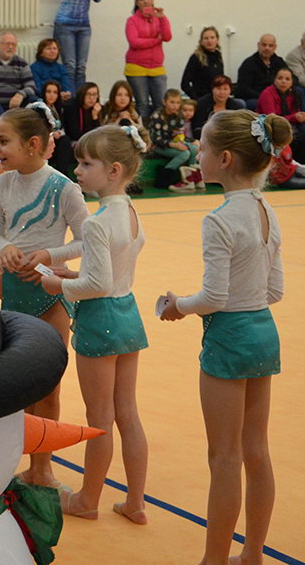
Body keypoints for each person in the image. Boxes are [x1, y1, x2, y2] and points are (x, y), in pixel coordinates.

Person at [160, 110, 290, 565]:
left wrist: (178, 305)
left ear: (226, 159)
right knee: (257, 451)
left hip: (230, 338)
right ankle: (252, 554)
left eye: (202, 147)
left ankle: (214, 559)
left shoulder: (218, 219)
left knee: (225, 458)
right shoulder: (267, 210)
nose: (197, 153)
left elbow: (214, 296)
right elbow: (275, 290)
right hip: (263, 334)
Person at [40, 125, 149, 524]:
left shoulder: (97, 222)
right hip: (127, 313)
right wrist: (73, 275)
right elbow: (108, 276)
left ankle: (87, 500)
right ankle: (135, 501)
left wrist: (59, 284)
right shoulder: (130, 211)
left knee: (99, 419)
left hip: (101, 320)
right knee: (128, 414)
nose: (78, 171)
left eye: (86, 164)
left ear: (114, 170)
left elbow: (97, 285)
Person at [0, 105, 88, 487]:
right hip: (14, 291)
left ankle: (42, 468)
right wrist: (6, 247)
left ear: (32, 144)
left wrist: (49, 255)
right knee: (19, 387)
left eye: (3, 141)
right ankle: (16, 463)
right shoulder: (1, 185)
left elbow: (86, 240)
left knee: (47, 387)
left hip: (51, 292)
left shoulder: (64, 187)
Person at [53, 0, 101, 90]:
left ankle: (81, 98)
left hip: (83, 26)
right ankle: (70, 99)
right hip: (65, 24)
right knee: (70, 65)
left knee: (81, 67)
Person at [125, 0, 171, 122]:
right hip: (136, 68)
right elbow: (134, 42)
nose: (145, 1)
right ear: (137, 3)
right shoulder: (132, 20)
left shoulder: (159, 19)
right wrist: (156, 40)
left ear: (152, 1)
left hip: (157, 67)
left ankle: (159, 131)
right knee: (142, 105)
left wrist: (162, 19)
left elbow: (167, 37)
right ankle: (144, 132)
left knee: (161, 104)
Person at [0, 32, 37, 138]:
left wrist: (20, 94)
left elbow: (31, 85)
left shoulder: (21, 63)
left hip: (15, 103)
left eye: (13, 44)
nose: (10, 47)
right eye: (7, 44)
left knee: (34, 101)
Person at [148, 88, 202, 192]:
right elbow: (155, 139)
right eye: (172, 102)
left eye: (178, 103)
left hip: (174, 142)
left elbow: (180, 134)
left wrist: (192, 140)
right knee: (185, 154)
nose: (175, 106)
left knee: (194, 148)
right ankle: (167, 177)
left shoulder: (178, 115)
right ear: (164, 102)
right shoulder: (157, 115)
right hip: (159, 145)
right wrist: (173, 145)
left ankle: (194, 179)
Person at [256, 66, 305, 161]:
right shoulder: (267, 94)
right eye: (280, 78)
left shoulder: (294, 94)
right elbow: (272, 120)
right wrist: (294, 117)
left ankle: (300, 163)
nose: (283, 81)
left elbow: (295, 113)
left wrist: (300, 116)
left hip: (288, 123)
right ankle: (292, 162)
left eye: (287, 79)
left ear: (291, 82)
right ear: (274, 80)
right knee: (296, 134)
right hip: (268, 126)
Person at [236, 34, 292, 108]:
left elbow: (292, 78)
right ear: (258, 45)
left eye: (270, 45)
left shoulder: (279, 62)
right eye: (264, 45)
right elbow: (243, 89)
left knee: (298, 91)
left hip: (277, 95)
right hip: (256, 97)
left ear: (275, 47)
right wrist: (265, 96)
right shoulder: (249, 64)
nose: (267, 48)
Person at [192, 75, 243, 140]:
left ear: (230, 91)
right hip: (206, 137)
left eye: (225, 89)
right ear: (212, 89)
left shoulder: (235, 106)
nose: (222, 92)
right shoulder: (202, 104)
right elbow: (197, 128)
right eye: (218, 88)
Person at [180, 26, 224, 101]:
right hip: (203, 98)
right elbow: (184, 84)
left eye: (212, 37)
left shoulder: (218, 56)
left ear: (217, 40)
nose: (209, 41)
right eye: (206, 38)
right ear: (201, 42)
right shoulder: (196, 57)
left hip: (218, 98)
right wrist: (197, 99)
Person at [41, 80, 74, 173]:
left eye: (55, 92)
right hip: (43, 141)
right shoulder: (39, 107)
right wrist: (51, 133)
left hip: (56, 141)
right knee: (64, 141)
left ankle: (63, 172)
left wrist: (59, 133)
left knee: (65, 141)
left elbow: (62, 126)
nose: (51, 95)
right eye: (48, 92)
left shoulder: (58, 108)